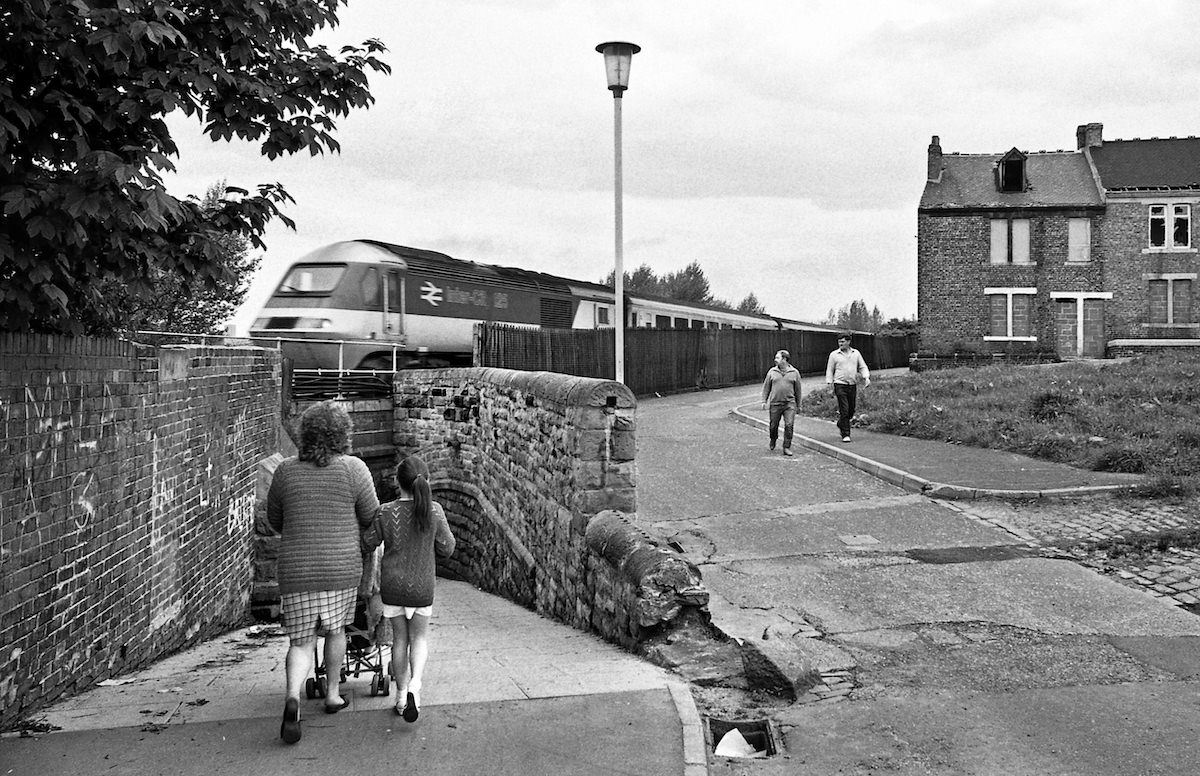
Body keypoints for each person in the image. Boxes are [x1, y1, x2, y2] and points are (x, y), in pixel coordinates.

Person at [267, 400, 380, 744]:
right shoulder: (354, 469)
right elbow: (372, 517)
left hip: (297, 570)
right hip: (340, 567)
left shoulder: (285, 471)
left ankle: (293, 698)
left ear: (306, 433)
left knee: (299, 642)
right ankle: (332, 693)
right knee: (335, 631)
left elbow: (274, 520)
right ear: (342, 434)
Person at [362, 454, 456, 722]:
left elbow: (367, 542)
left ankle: (401, 696)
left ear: (396, 482)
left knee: (399, 642)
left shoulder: (386, 512)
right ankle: (416, 685)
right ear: (425, 480)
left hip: (393, 587)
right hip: (422, 588)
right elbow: (447, 548)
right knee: (420, 639)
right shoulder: (434, 510)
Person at [825, 333, 870, 442]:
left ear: (848, 342)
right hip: (840, 384)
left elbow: (862, 366)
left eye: (843, 341)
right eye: (839, 342)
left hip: (852, 384)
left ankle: (841, 423)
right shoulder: (834, 355)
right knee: (844, 410)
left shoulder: (856, 353)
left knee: (851, 410)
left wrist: (866, 377)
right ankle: (845, 434)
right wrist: (829, 383)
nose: (840, 344)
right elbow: (830, 370)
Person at [761, 349, 802, 456]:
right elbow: (766, 387)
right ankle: (773, 439)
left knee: (789, 425)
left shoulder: (794, 373)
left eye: (777, 357)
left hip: (789, 403)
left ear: (784, 359)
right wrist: (764, 401)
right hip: (775, 403)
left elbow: (798, 390)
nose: (775, 360)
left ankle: (786, 447)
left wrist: (799, 404)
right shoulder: (772, 372)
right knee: (773, 425)